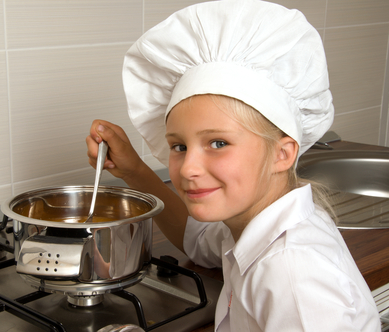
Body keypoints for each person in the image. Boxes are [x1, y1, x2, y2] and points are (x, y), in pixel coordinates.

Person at [86, 0, 380, 331]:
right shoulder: (252, 224)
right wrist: (133, 170)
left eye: (218, 143)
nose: (186, 169)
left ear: (282, 154)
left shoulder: (294, 276)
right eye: (179, 146)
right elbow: (197, 240)